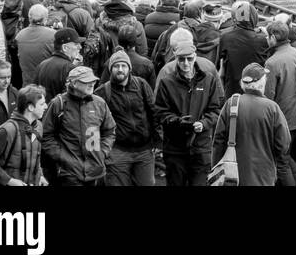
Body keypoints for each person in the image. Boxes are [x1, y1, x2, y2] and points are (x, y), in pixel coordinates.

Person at [153, 31, 225, 186]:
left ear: (195, 56)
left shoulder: (208, 80)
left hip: (200, 147)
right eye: (181, 59)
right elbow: (160, 113)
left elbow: (216, 110)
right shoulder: (167, 81)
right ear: (175, 58)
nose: (186, 63)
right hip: (175, 148)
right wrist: (178, 122)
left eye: (189, 59)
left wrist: (204, 123)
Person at [212, 63, 295, 186]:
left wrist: (216, 168)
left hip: (233, 175)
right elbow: (283, 143)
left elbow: (218, 141)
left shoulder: (231, 104)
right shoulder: (272, 108)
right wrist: (281, 170)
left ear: (242, 83)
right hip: (264, 175)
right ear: (262, 83)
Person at [41, 66, 116, 186]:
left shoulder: (100, 103)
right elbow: (45, 135)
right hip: (69, 174)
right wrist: (62, 157)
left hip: (96, 173)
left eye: (93, 80)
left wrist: (103, 152)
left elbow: (109, 131)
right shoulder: (58, 104)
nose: (92, 84)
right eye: (86, 81)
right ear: (74, 83)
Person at [261, 19, 296, 184]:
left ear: (273, 38)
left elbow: (268, 97)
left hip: (284, 119)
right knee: (288, 156)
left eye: (268, 36)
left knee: (282, 159)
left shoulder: (272, 62)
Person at [96, 49, 157, 186]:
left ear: (129, 68)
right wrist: (103, 150)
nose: (120, 69)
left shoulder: (141, 85)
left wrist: (157, 140)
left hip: (144, 150)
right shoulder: (103, 92)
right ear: (111, 69)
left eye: (123, 66)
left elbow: (154, 112)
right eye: (116, 66)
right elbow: (95, 123)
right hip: (118, 150)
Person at [0, 84, 48, 187]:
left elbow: (35, 156)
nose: (46, 106)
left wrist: (40, 176)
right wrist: (9, 181)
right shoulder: (7, 130)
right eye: (42, 104)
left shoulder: (38, 126)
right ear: (30, 107)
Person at [35, 27, 82, 102]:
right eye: (76, 44)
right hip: (60, 111)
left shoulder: (42, 65)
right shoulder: (69, 68)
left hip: (44, 110)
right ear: (65, 47)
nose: (80, 47)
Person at [15, 4, 55, 87]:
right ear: (45, 19)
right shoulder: (53, 35)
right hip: (47, 85)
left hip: (27, 85)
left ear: (29, 18)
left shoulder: (20, 35)